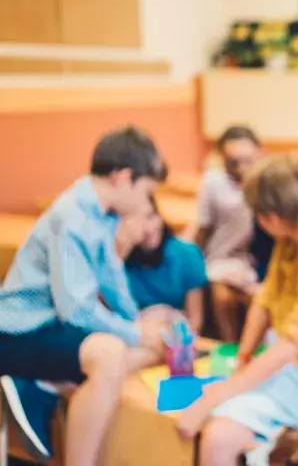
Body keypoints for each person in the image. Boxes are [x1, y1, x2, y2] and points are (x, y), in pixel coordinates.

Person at [176, 152, 298, 466]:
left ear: (271, 218)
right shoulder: (291, 240)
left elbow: (289, 346)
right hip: (293, 375)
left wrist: (217, 394)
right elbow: (264, 302)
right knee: (218, 437)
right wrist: (243, 358)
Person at [0, 126, 174, 466]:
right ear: (123, 177)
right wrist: (136, 333)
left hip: (51, 326)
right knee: (110, 353)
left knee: (140, 339)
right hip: (17, 331)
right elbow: (76, 311)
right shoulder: (72, 217)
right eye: (146, 191)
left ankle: (46, 385)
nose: (145, 203)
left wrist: (138, 322)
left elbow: (111, 277)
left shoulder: (102, 213)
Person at [196, 125, 264, 341]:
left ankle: (255, 349)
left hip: (253, 261)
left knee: (260, 300)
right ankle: (230, 349)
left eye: (248, 160)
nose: (241, 168)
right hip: (221, 258)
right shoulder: (213, 182)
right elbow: (202, 227)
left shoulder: (264, 182)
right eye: (234, 161)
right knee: (223, 298)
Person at [125, 195, 208, 333]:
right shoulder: (118, 262)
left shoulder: (186, 254)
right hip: (134, 335)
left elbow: (195, 321)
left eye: (151, 216)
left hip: (177, 339)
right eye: (138, 222)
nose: (148, 228)